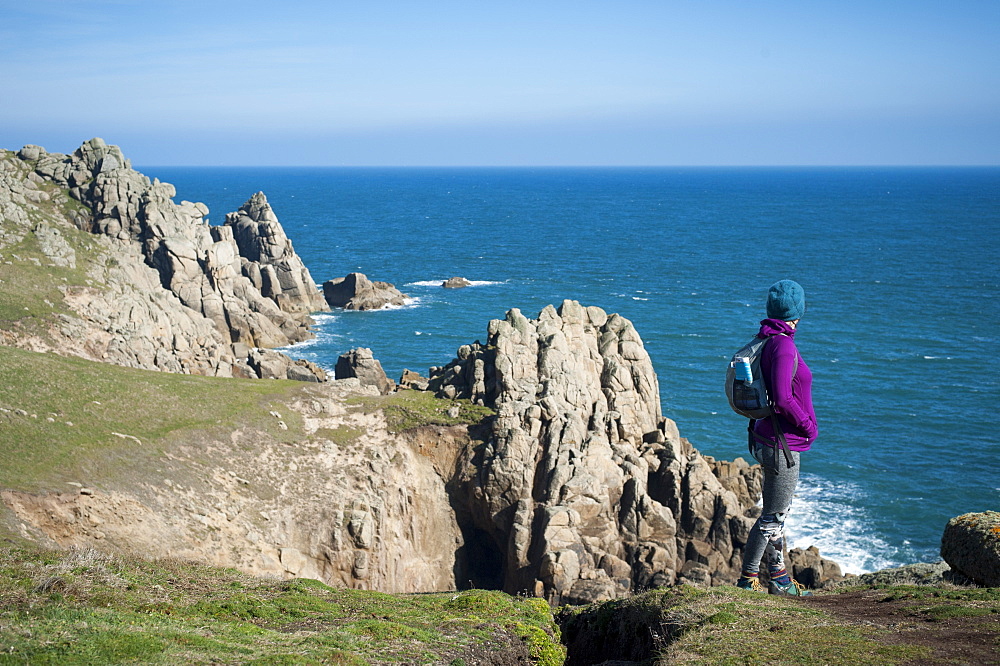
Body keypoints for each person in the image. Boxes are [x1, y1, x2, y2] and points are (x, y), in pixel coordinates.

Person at [736, 279, 818, 596]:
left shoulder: (767, 339)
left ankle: (779, 580)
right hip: (782, 444)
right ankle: (747, 580)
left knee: (775, 516)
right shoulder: (783, 346)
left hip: (764, 438)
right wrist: (808, 425)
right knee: (772, 517)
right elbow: (783, 399)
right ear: (798, 311)